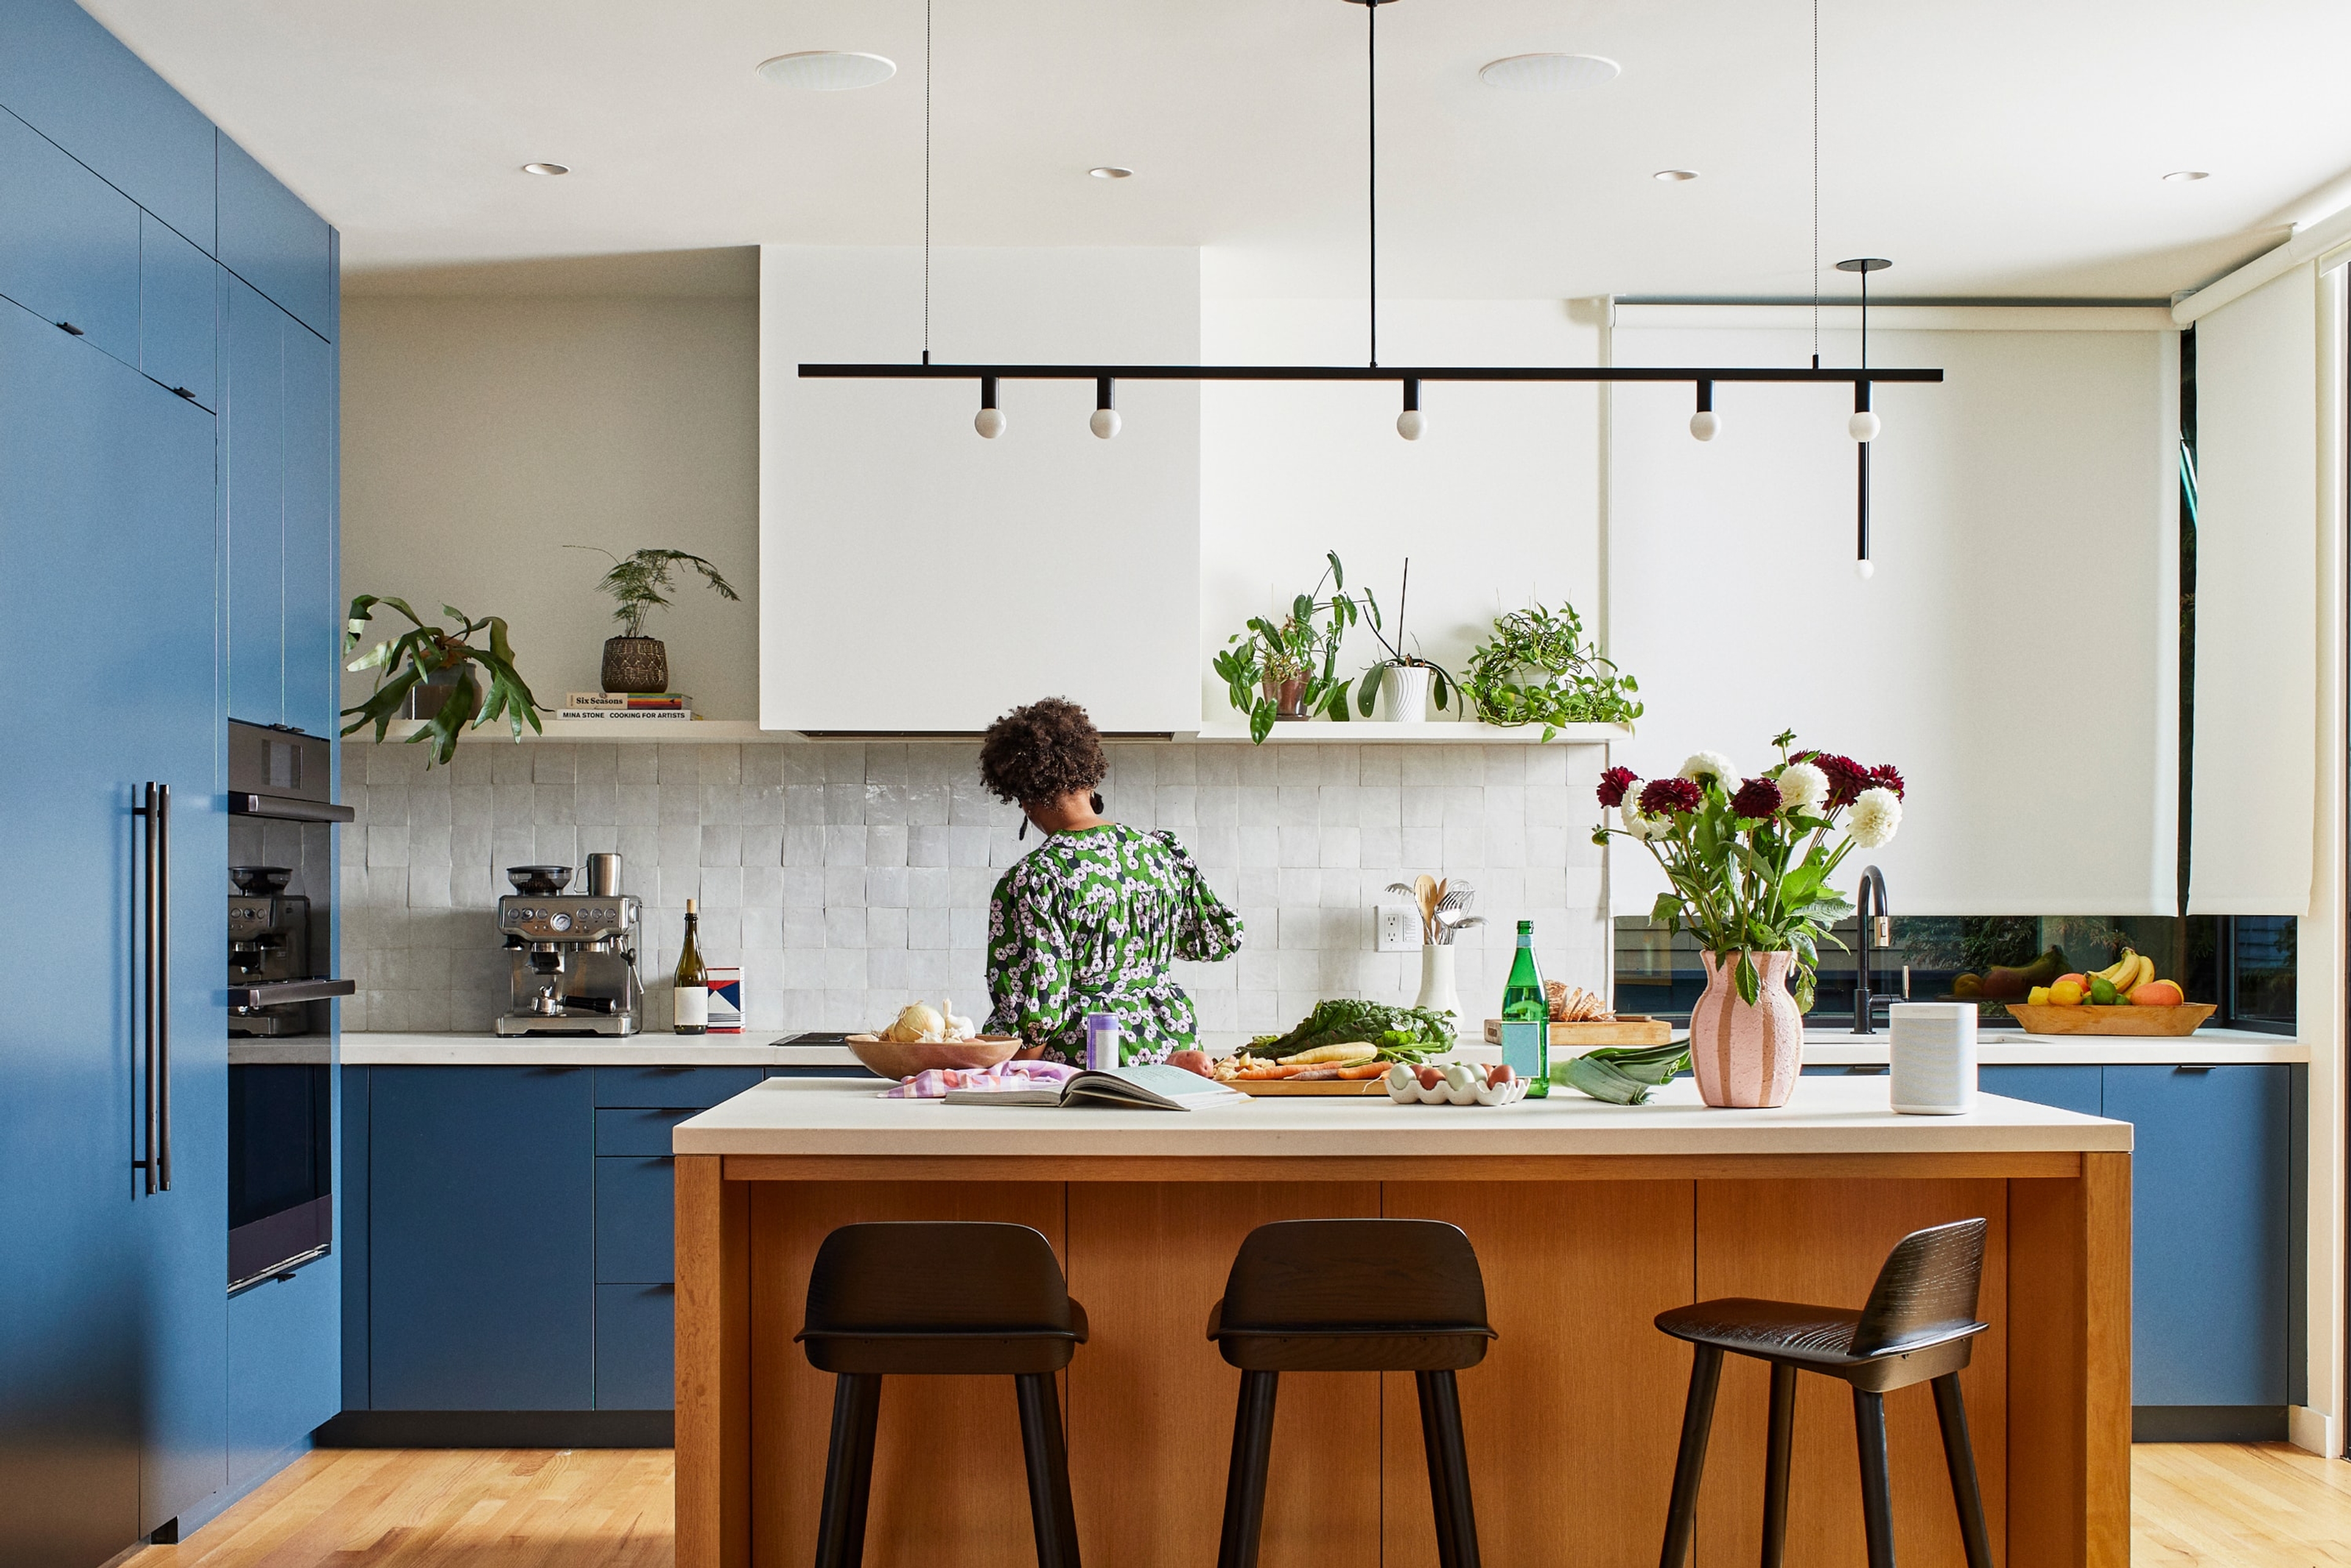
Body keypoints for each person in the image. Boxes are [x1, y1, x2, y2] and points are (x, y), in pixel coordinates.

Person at [978, 697, 1243, 1063]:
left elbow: (1038, 1012)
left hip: (1089, 1064)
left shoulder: (1037, 878)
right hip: (1174, 1051)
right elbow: (1215, 940)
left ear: (1024, 799)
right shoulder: (1162, 853)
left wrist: (1016, 1077)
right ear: (1090, 780)